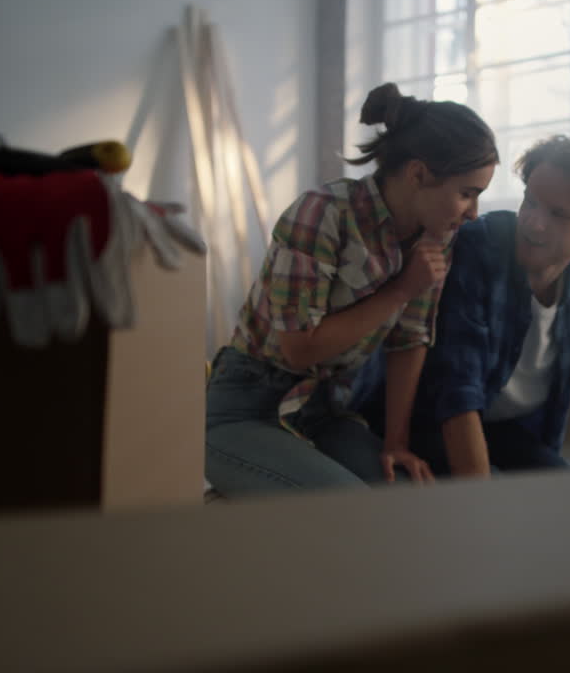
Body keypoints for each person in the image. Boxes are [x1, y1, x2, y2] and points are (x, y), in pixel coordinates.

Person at [205, 83, 497, 496]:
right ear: (418, 174)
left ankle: (264, 492)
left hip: (322, 408)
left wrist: (396, 444)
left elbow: (409, 341)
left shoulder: (436, 237)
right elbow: (298, 349)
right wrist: (399, 291)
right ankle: (241, 491)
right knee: (354, 511)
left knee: (409, 500)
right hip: (246, 405)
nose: (473, 213)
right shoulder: (322, 213)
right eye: (467, 194)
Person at [353, 134, 570, 478]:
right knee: (507, 507)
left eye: (558, 214)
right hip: (430, 422)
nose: (534, 222)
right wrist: (486, 507)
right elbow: (457, 389)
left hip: (510, 430)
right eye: (530, 202)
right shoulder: (476, 249)